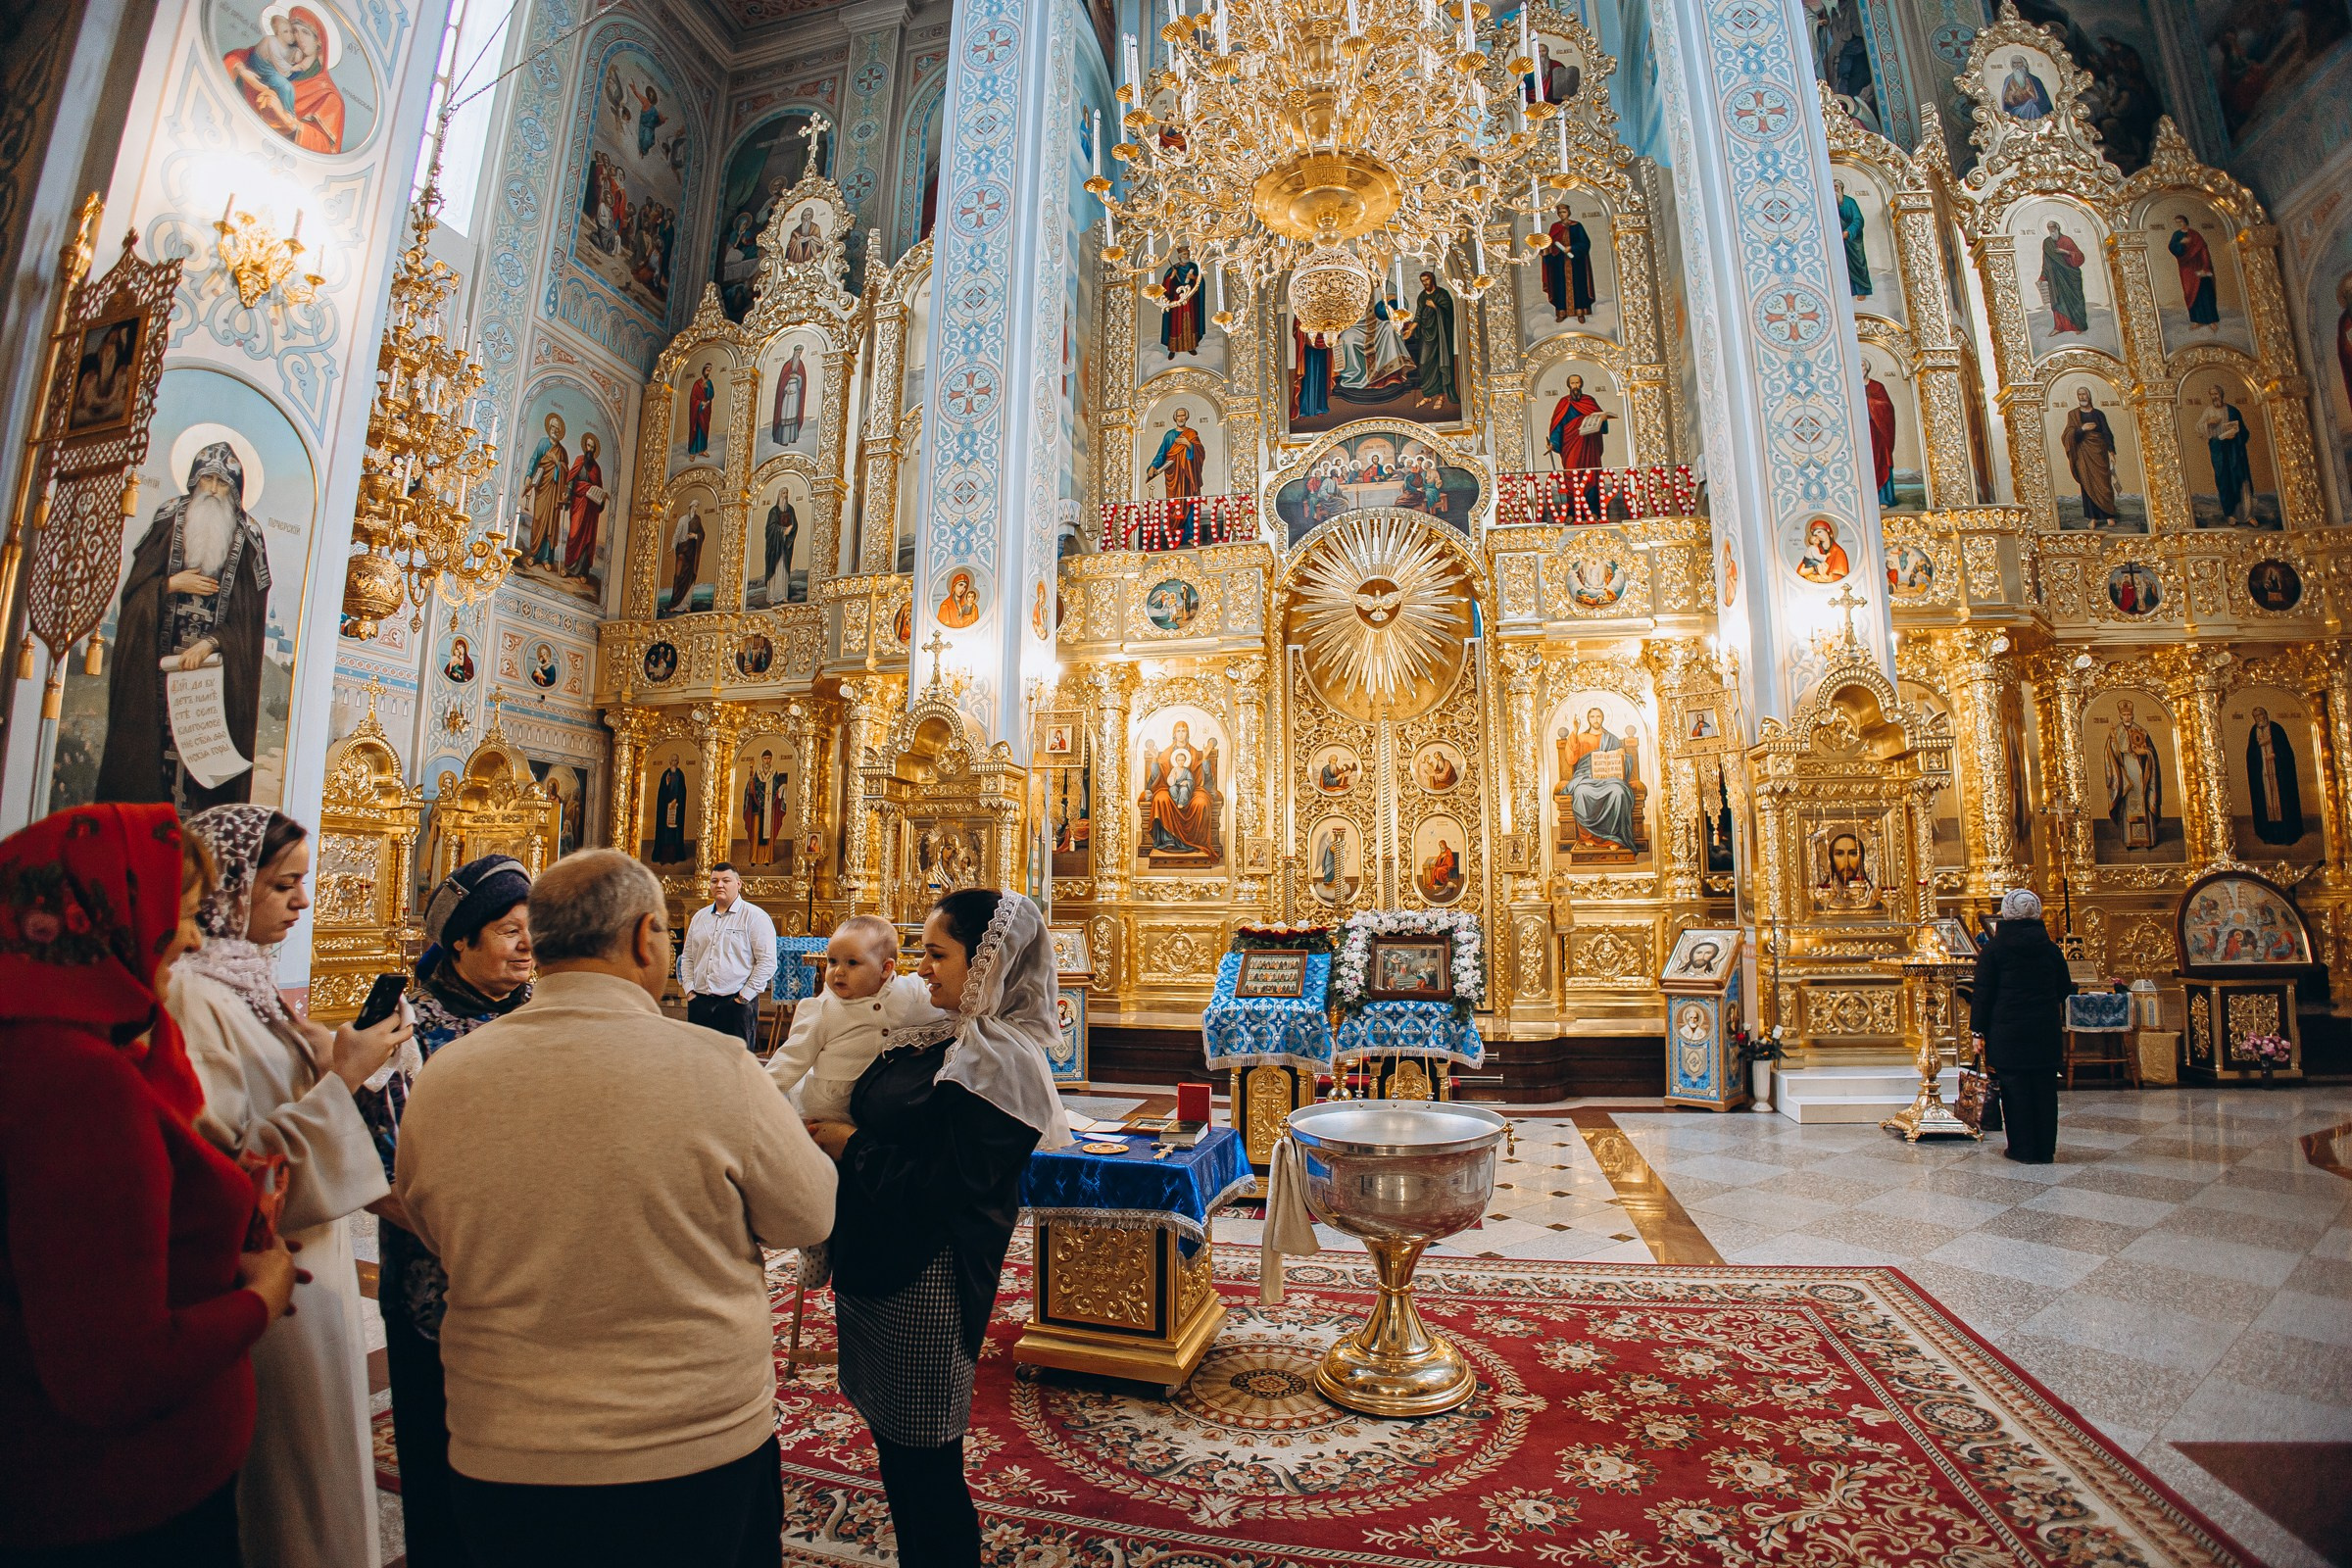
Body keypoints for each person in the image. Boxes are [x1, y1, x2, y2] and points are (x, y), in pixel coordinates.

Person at [396, 851, 835, 1566]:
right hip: (692, 1446)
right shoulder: (717, 1068)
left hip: (506, 1450)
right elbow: (810, 1217)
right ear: (644, 938)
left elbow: (430, 1222)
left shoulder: (445, 1074)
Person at [0, 804, 295, 1562]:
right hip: (120, 1497)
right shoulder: (77, 1084)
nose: (193, 938)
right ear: (101, 915)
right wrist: (259, 1298)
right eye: (181, 915)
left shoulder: (58, 1040)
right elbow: (114, 1370)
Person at [174, 806, 413, 1568]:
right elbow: (223, 1166)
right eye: (283, 885)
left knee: (319, 1466)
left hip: (313, 1259)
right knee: (283, 1491)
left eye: (304, 883)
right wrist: (339, 1076)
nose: (302, 902)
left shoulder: (249, 986)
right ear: (226, 887)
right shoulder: (191, 999)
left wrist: (338, 1060)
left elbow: (287, 1104)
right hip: (264, 1271)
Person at [806, 890, 1072, 1567]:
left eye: (936, 953)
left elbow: (941, 1188)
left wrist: (849, 1147)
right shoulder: (943, 1037)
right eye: (920, 951)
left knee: (926, 1471)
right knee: (899, 1459)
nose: (921, 969)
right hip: (878, 1268)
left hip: (923, 1282)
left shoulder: (1000, 1063)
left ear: (988, 962)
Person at [352, 856, 534, 1568]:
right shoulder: (402, 1031)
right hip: (439, 1288)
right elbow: (372, 1169)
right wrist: (466, 1235)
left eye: (531, 931)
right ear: (459, 941)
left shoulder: (543, 1017)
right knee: (443, 1468)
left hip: (529, 1291)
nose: (526, 945)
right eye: (506, 931)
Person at [96, 442, 270, 809]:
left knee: (200, 792)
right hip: (156, 678)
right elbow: (135, 594)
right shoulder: (169, 517)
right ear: (193, 479)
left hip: (211, 686)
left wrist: (210, 644)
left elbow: (248, 623)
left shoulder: (248, 537)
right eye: (206, 478)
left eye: (221, 483)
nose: (211, 489)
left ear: (234, 489)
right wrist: (171, 585)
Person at [768, 914, 943, 1121]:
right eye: (832, 961)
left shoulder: (908, 991)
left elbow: (946, 1013)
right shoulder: (823, 1009)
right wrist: (760, 1092)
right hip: (829, 1108)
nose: (838, 971)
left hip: (883, 1099)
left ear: (885, 968)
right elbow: (791, 1059)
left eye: (852, 963)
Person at [1970, 888, 2076, 1164]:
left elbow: (1983, 994)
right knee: (2044, 1090)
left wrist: (1978, 1031)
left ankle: (2022, 1149)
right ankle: (2044, 1150)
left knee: (2014, 1091)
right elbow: (2064, 988)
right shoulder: (2050, 949)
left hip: (2008, 1031)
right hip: (2044, 1030)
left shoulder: (1994, 950)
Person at [680, 862, 779, 1050]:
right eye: (714, 881)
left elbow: (767, 962)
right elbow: (688, 958)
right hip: (700, 1002)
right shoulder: (699, 917)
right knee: (699, 1063)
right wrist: (690, 991)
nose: (720, 885)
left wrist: (743, 997)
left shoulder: (755, 917)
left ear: (739, 884)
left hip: (735, 1004)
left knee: (737, 1066)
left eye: (726, 880)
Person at [2061, 387, 2120, 522]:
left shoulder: (2098, 414)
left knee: (2104, 483)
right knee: (2087, 483)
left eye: (2084, 394)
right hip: (2083, 454)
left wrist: (2111, 451)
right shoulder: (2073, 414)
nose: (2082, 397)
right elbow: (2067, 435)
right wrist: (2082, 429)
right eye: (2079, 394)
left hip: (2099, 453)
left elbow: (2106, 433)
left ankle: (2109, 515)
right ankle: (2093, 518)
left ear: (2089, 396)